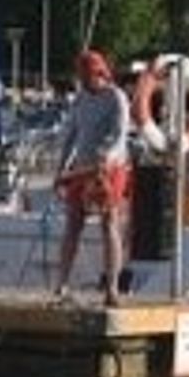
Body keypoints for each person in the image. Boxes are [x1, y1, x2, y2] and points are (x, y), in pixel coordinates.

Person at [53, 48, 131, 305]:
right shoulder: (80, 99)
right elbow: (71, 136)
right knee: (73, 224)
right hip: (82, 167)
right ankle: (62, 284)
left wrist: (106, 158)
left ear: (100, 73)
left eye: (88, 76)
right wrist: (61, 169)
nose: (85, 82)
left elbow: (119, 135)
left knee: (109, 222)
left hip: (111, 167)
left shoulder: (116, 97)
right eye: (81, 77)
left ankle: (112, 287)